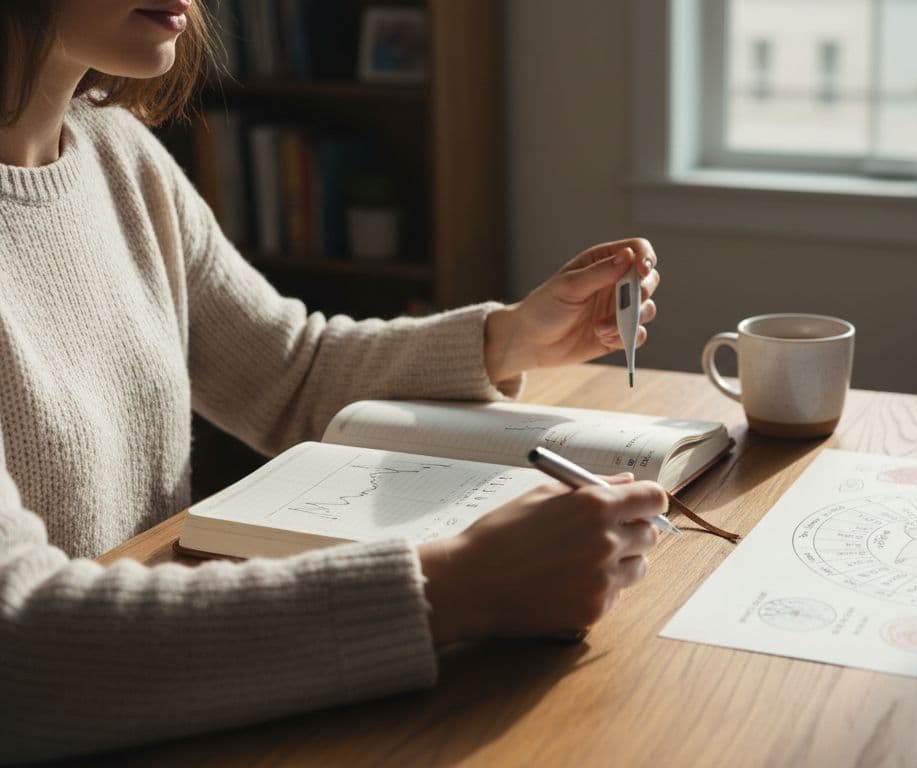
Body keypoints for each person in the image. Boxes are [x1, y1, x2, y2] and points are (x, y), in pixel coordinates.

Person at [0, 2, 666, 762]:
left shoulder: (117, 152)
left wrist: (509, 338)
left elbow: (289, 373)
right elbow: (20, 644)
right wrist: (456, 586)